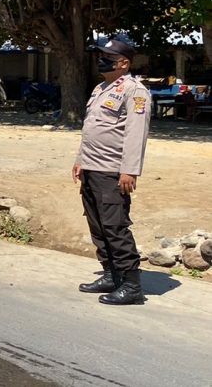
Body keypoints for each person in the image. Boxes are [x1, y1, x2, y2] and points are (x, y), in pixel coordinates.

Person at [73, 37, 151, 306]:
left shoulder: (134, 91)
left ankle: (131, 285)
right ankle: (110, 274)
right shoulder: (101, 88)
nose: (100, 60)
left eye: (106, 56)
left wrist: (129, 171)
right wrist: (80, 159)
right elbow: (92, 128)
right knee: (97, 225)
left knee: (115, 226)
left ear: (124, 63)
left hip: (112, 170)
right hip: (92, 167)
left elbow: (135, 134)